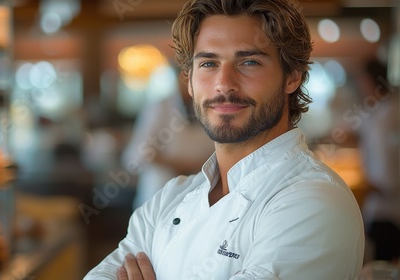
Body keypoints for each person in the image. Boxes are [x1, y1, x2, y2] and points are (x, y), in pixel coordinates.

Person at [84, 0, 365, 279]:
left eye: (249, 62)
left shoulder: (313, 201)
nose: (224, 83)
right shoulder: (168, 199)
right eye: (208, 63)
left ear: (292, 77)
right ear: (190, 81)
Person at [121, 68, 215, 210]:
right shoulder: (160, 107)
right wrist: (179, 167)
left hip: (201, 193)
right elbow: (138, 154)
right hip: (159, 192)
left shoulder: (214, 108)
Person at [356, 59, 400, 262]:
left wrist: (360, 189)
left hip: (387, 212)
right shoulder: (382, 110)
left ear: (370, 81)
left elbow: (385, 179)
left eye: (363, 80)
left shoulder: (386, 117)